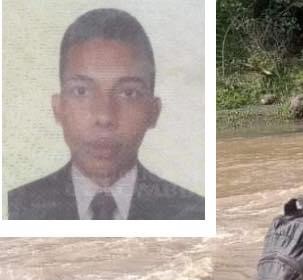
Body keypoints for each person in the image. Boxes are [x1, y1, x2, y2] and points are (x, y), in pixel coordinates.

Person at [7, 8, 204, 220]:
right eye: (81, 91)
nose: (104, 117)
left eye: (129, 93)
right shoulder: (15, 209)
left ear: (153, 111)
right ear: (58, 108)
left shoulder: (194, 213)